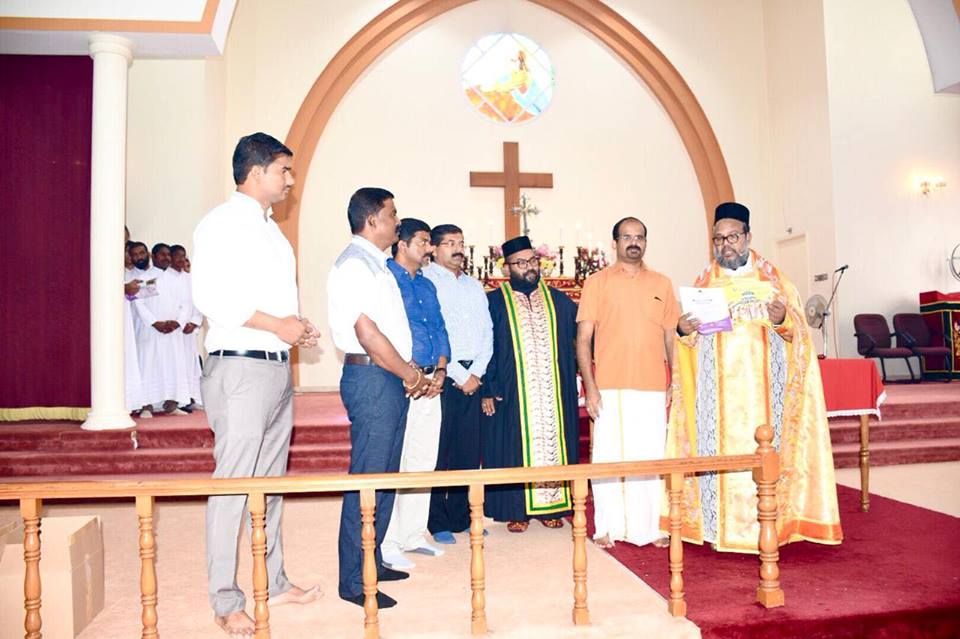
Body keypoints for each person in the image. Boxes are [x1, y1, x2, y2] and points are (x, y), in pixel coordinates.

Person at [192, 132, 321, 636]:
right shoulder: (221, 224)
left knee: (269, 485)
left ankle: (275, 579)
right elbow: (212, 298)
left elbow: (271, 302)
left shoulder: (273, 232)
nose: (290, 180)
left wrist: (296, 327)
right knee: (233, 486)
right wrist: (276, 325)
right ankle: (225, 600)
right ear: (255, 172)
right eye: (283, 170)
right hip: (240, 368)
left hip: (274, 367)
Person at [665, 202, 842, 552]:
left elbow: (800, 338)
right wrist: (683, 330)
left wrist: (782, 320)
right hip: (716, 400)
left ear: (748, 236)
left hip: (764, 398)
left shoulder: (775, 282)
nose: (726, 245)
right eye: (719, 239)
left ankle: (771, 527)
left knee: (762, 457)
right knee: (719, 461)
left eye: (732, 237)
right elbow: (688, 345)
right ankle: (717, 529)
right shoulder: (704, 283)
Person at [327, 188, 432, 609]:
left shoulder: (377, 264)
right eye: (392, 214)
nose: (397, 221)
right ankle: (354, 580)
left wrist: (406, 369)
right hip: (372, 378)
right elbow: (367, 332)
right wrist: (409, 373)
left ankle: (373, 559)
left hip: (386, 376)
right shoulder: (355, 265)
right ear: (372, 220)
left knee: (386, 474)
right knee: (368, 478)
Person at [576, 217, 679, 549]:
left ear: (645, 242)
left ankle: (650, 527)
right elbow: (583, 339)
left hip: (651, 384)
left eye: (639, 237)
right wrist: (590, 386)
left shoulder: (662, 283)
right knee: (608, 456)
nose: (634, 242)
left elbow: (671, 337)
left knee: (650, 456)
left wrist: (675, 380)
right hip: (609, 384)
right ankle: (607, 527)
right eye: (627, 237)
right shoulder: (597, 283)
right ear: (615, 242)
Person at [481, 236, 580, 532]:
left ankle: (553, 507)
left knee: (554, 442)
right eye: (520, 263)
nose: (529, 268)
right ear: (506, 267)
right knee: (511, 446)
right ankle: (516, 511)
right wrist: (488, 387)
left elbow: (582, 339)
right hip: (510, 392)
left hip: (553, 393)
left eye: (532, 261)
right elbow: (483, 347)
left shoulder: (560, 301)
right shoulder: (493, 303)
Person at [381, 218, 451, 570]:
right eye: (423, 242)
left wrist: (441, 370)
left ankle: (412, 534)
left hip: (431, 380)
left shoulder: (427, 284)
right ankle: (388, 540)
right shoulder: (385, 279)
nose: (429, 248)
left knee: (423, 458)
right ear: (403, 244)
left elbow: (439, 328)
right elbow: (383, 330)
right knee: (398, 459)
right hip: (401, 381)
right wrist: (410, 374)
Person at [423, 224, 493, 544]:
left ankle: (461, 517)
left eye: (461, 242)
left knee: (468, 451)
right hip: (442, 377)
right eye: (450, 243)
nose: (458, 249)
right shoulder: (426, 281)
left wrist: (476, 372)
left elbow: (487, 332)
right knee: (440, 452)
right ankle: (437, 520)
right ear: (434, 249)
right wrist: (458, 375)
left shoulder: (474, 285)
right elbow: (431, 335)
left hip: (473, 376)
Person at [133, 242, 192, 417]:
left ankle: (171, 404)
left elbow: (186, 304)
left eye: (168, 254)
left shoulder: (177, 278)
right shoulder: (145, 278)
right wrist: (155, 323)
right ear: (153, 256)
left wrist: (178, 323)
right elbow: (139, 303)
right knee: (149, 365)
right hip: (151, 331)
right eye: (162, 254)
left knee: (173, 366)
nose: (166, 257)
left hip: (172, 331)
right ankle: (147, 406)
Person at [170, 244, 202, 409]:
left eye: (184, 256)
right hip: (173, 329)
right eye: (178, 256)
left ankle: (191, 397)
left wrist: (195, 322)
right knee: (176, 364)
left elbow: (199, 303)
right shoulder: (165, 278)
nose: (181, 259)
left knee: (190, 364)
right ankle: (178, 400)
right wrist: (178, 323)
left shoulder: (191, 279)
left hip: (188, 329)